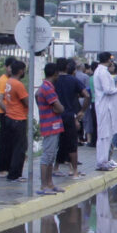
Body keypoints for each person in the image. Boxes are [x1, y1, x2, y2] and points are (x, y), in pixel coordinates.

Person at [0, 59, 30, 180]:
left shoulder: (9, 81)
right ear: (21, 71)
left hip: (10, 117)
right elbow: (27, 102)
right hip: (18, 118)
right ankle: (15, 174)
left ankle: (12, 172)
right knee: (19, 148)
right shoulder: (18, 84)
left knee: (14, 146)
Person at [35, 65, 66, 194]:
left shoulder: (44, 87)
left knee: (51, 156)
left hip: (52, 124)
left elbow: (37, 95)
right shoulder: (47, 88)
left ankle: (50, 183)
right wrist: (54, 109)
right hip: (50, 125)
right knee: (47, 156)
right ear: (55, 74)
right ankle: (44, 186)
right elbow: (60, 108)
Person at [91, 52, 117, 170]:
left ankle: (105, 160)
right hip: (105, 106)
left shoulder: (101, 71)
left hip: (106, 106)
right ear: (108, 60)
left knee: (107, 134)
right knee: (104, 134)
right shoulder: (103, 72)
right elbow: (108, 90)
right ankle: (102, 161)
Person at [52, 57, 83, 176]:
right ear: (67, 67)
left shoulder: (53, 81)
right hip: (69, 115)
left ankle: (55, 168)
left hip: (55, 116)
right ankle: (74, 171)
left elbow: (38, 95)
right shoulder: (73, 80)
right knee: (71, 144)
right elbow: (86, 94)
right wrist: (82, 111)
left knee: (58, 143)